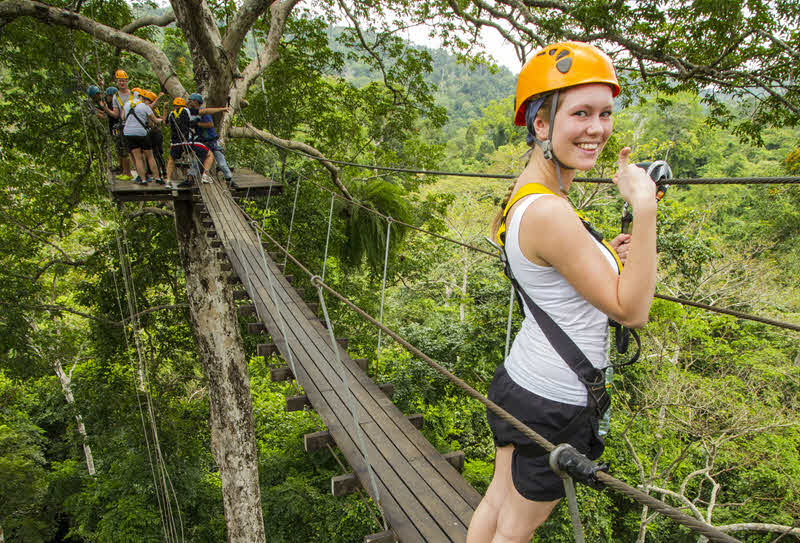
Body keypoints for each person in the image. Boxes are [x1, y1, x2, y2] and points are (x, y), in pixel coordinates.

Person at [466, 41, 657, 543]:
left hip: (521, 382)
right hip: (559, 400)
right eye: (580, 113)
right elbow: (632, 309)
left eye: (605, 113)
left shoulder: (528, 194)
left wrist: (607, 255)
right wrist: (644, 207)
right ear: (542, 124)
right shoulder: (551, 212)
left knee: (497, 501)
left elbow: (554, 269)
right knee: (516, 529)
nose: (596, 128)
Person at [186, 93, 234, 185]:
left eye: (191, 100)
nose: (189, 102)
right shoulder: (191, 112)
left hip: (211, 140)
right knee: (198, 160)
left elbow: (210, 125)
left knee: (221, 163)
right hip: (202, 141)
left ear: (196, 102)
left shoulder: (202, 112)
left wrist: (197, 124)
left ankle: (229, 179)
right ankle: (190, 178)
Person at [100, 70, 139, 179]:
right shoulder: (115, 97)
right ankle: (127, 173)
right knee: (124, 150)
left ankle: (141, 174)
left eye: (123, 81)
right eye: (119, 81)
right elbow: (115, 114)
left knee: (138, 151)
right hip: (124, 125)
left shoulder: (135, 94)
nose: (122, 83)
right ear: (117, 82)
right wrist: (106, 109)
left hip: (136, 124)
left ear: (127, 81)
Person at [121, 88, 162, 184]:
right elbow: (155, 121)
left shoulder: (127, 104)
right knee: (150, 156)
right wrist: (163, 119)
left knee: (137, 157)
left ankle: (143, 179)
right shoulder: (144, 106)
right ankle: (157, 178)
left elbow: (122, 117)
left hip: (128, 133)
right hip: (141, 133)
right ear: (140, 97)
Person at [164, 97, 193, 188]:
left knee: (171, 160)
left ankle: (168, 179)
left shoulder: (171, 114)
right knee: (192, 157)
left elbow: (165, 122)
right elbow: (192, 121)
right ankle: (190, 178)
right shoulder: (187, 111)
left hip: (175, 141)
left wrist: (165, 109)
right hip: (186, 140)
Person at [140, 89, 167, 182]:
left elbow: (156, 121)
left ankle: (162, 172)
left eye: (145, 99)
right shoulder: (149, 109)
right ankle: (153, 172)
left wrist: (159, 98)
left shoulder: (151, 109)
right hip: (151, 133)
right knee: (150, 154)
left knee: (157, 153)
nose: (143, 101)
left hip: (155, 133)